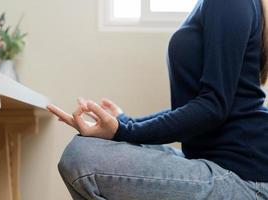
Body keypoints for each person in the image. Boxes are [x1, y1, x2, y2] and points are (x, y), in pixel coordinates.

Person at [47, 0, 268, 199]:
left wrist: (123, 130)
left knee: (81, 157)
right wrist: (125, 123)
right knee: (88, 146)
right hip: (218, 164)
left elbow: (213, 107)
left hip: (244, 176)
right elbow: (197, 105)